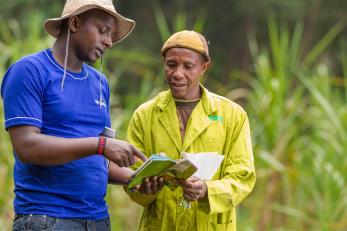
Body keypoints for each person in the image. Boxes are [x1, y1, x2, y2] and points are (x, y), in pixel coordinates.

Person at [0, 0, 146, 230]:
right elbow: (26, 147)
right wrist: (101, 145)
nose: (108, 42)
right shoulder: (29, 71)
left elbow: (101, 161)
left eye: (111, 35)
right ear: (75, 22)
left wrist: (135, 177)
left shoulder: (100, 83)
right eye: (103, 30)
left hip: (97, 220)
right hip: (47, 219)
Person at [125, 30, 256, 230]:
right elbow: (130, 176)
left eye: (188, 66)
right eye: (171, 65)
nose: (178, 73)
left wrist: (206, 190)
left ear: (204, 67)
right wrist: (145, 189)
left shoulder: (232, 115)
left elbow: (242, 176)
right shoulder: (145, 115)